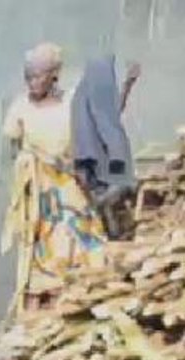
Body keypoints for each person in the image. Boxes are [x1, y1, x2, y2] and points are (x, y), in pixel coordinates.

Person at [1, 42, 110, 317]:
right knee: (43, 239)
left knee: (80, 229)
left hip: (69, 181)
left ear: (53, 75)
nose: (32, 83)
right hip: (39, 186)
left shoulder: (72, 102)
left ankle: (81, 292)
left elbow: (90, 137)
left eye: (37, 76)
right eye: (28, 77)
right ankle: (39, 300)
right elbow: (14, 145)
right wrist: (28, 167)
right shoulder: (20, 107)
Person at [72, 55, 142, 242]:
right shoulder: (80, 106)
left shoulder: (96, 103)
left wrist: (128, 84)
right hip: (89, 177)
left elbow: (111, 113)